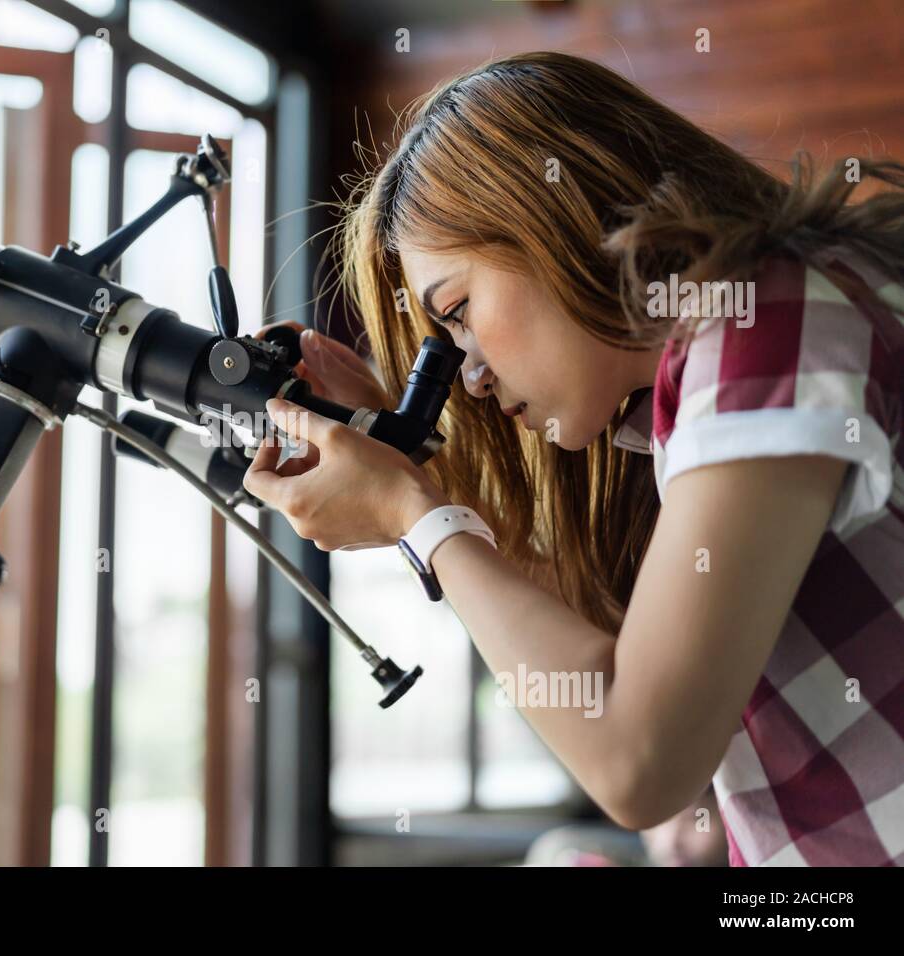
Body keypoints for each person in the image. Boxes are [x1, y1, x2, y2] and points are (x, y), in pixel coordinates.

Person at [245, 52, 904, 866]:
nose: (474, 376)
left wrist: (416, 516)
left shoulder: (766, 323)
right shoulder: (695, 384)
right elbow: (624, 666)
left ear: (551, 216)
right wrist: (415, 478)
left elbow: (637, 759)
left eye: (459, 310)